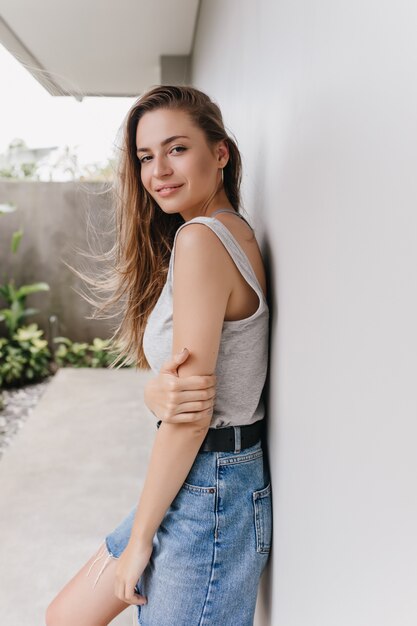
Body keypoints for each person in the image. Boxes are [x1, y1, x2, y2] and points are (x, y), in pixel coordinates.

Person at [45, 85, 271, 626]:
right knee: (66, 617)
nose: (158, 171)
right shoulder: (221, 233)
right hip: (198, 478)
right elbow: (182, 390)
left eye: (176, 149)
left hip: (210, 489)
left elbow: (191, 416)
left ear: (220, 153)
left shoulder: (202, 241)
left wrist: (141, 539)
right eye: (146, 156)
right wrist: (154, 392)